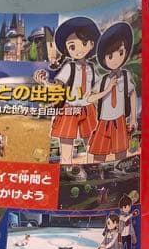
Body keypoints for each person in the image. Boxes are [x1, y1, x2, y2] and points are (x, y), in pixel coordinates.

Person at [34, 16, 100, 165]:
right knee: (67, 140)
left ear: (91, 44)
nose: (78, 50)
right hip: (70, 107)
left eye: (84, 43)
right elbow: (57, 87)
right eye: (72, 47)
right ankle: (65, 165)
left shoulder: (91, 68)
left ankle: (92, 165)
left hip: (88, 108)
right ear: (67, 49)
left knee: (90, 139)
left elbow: (97, 86)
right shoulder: (69, 67)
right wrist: (45, 82)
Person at [87, 22, 137, 163]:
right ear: (104, 59)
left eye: (120, 53)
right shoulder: (103, 80)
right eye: (110, 56)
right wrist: (107, 90)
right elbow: (89, 98)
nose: (116, 60)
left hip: (120, 120)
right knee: (99, 154)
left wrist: (133, 118)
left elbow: (132, 93)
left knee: (121, 154)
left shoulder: (126, 76)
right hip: (103, 122)